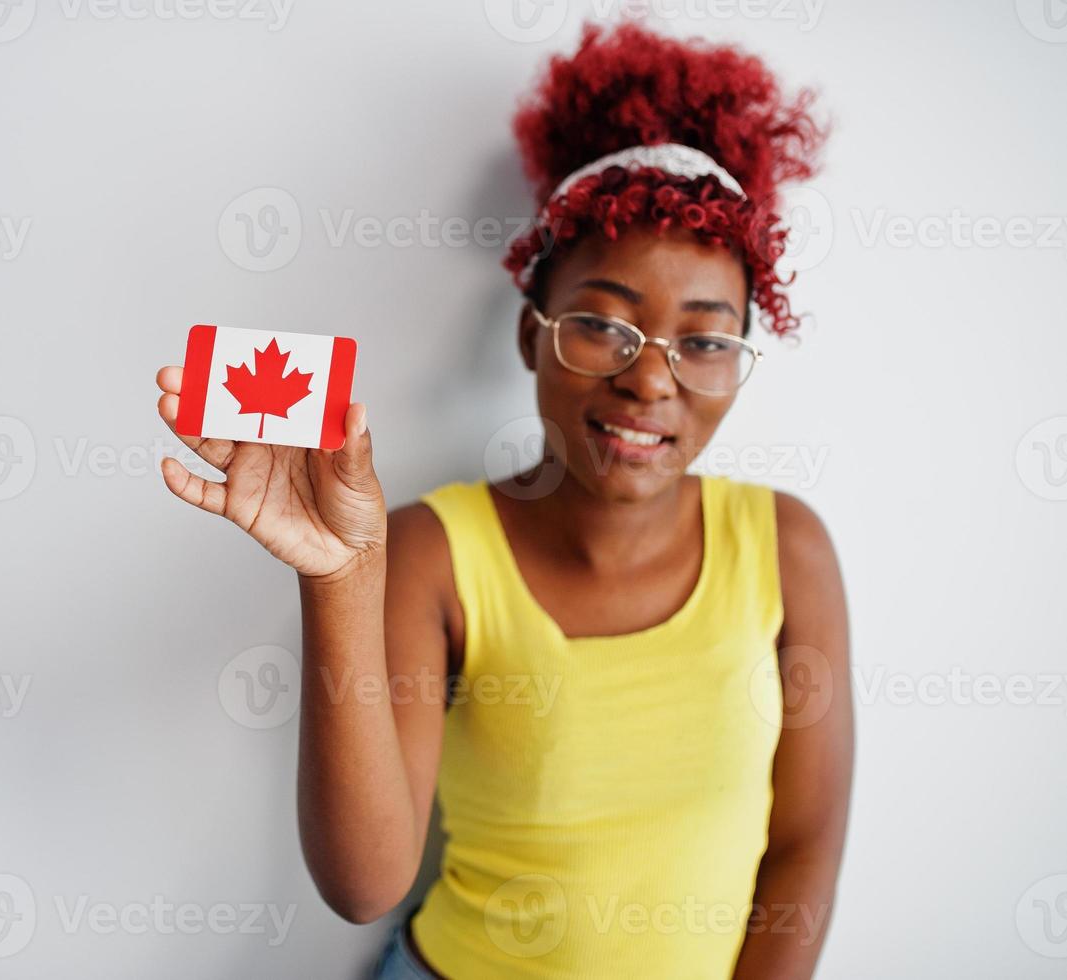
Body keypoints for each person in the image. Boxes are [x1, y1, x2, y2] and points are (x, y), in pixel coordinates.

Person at [154, 21, 852, 979]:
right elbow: (366, 885)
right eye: (602, 324)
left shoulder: (787, 549)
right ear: (531, 337)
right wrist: (340, 576)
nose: (650, 384)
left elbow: (803, 845)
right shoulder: (434, 554)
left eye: (703, 340)